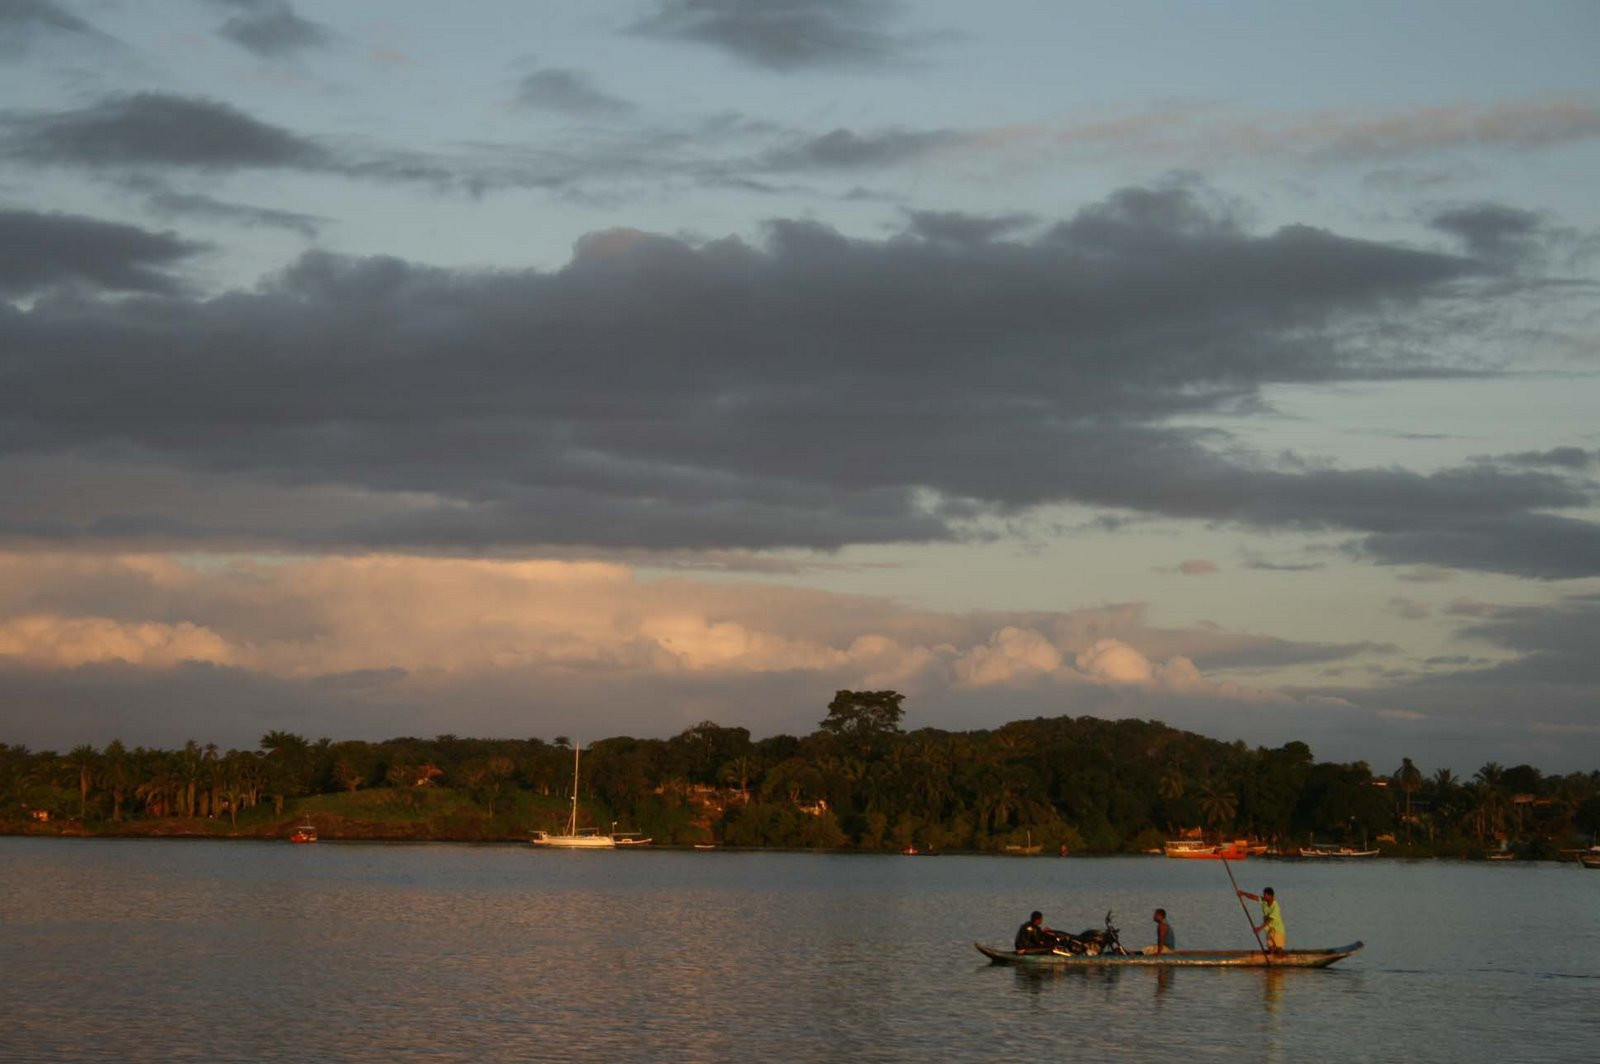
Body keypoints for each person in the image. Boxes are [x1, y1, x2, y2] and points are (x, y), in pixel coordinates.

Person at [1237, 887, 1285, 954]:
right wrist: (1243, 893)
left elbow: (1270, 920)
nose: (1264, 897)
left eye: (1266, 895)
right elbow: (1253, 897)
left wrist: (1259, 928)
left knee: (1279, 948)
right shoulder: (1264, 901)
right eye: (1264, 895)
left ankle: (1280, 961)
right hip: (1269, 929)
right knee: (1271, 948)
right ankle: (1271, 958)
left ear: (1271, 896)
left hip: (1277, 929)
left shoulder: (1275, 907)